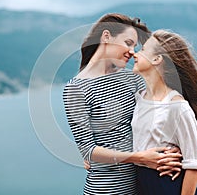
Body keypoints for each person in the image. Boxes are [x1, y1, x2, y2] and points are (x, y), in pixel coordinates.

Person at [63, 14, 182, 195]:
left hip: (146, 186)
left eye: (135, 46)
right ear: (106, 37)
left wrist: (176, 148)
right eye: (128, 42)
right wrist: (140, 157)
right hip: (105, 190)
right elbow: (88, 150)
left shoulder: (133, 78)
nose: (132, 51)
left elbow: (157, 118)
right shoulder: (76, 88)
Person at [132, 29, 197, 194]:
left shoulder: (177, 107)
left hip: (168, 185)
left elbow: (193, 164)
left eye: (142, 50)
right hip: (142, 185)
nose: (135, 54)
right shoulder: (140, 97)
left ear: (157, 59)